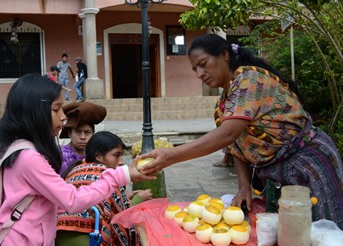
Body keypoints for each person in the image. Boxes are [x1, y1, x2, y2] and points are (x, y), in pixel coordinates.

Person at [139, 34, 343, 229]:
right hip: (276, 175)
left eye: (203, 64)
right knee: (292, 238)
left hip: (307, 164)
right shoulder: (223, 105)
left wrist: (171, 155)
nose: (200, 74)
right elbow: (236, 146)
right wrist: (244, 186)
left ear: (225, 55)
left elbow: (227, 134)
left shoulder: (249, 80)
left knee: (327, 233)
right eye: (195, 70)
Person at [0, 74, 154, 246]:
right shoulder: (29, 158)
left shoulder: (19, 148)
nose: (63, 117)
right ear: (35, 111)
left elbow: (54, 202)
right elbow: (72, 201)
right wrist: (122, 175)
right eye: (56, 109)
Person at [54, 131, 153, 246]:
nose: (120, 162)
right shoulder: (106, 174)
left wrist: (125, 197)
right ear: (99, 156)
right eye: (116, 155)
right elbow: (120, 217)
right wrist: (140, 198)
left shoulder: (75, 170)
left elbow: (99, 205)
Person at [59, 101, 107, 175]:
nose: (82, 137)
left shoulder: (96, 155)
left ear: (93, 133)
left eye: (87, 132)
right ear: (69, 133)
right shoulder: (62, 155)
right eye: (77, 132)